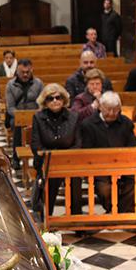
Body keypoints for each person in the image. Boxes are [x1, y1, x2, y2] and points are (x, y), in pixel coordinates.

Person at [80, 92, 136, 213]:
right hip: (99, 168)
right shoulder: (88, 124)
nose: (112, 113)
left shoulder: (126, 123)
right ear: (100, 107)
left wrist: (121, 166)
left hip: (124, 165)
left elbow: (133, 147)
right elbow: (87, 152)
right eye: (108, 109)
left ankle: (120, 213)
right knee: (104, 188)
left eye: (115, 110)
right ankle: (115, 211)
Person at [31, 84, 81, 217]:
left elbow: (78, 143)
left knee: (75, 179)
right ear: (45, 102)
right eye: (50, 98)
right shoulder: (38, 117)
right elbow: (36, 144)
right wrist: (51, 158)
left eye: (58, 97)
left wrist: (65, 157)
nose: (55, 101)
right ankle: (47, 218)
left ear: (64, 100)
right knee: (50, 179)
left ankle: (76, 218)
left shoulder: (74, 117)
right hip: (47, 161)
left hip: (70, 161)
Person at [6, 59, 43, 168]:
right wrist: (21, 117)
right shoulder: (11, 85)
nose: (25, 75)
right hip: (17, 115)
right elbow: (10, 107)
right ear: (17, 71)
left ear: (32, 70)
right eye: (22, 72)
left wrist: (36, 115)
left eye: (28, 72)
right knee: (17, 124)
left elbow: (42, 103)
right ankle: (16, 158)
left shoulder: (38, 83)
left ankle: (39, 158)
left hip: (35, 115)